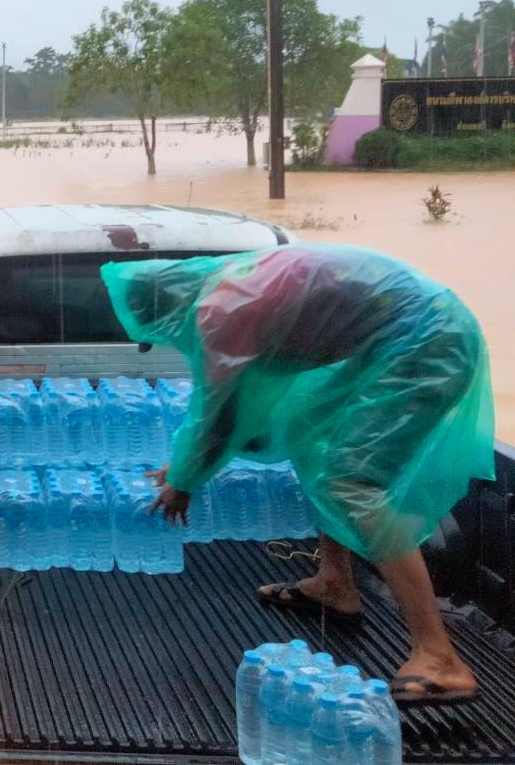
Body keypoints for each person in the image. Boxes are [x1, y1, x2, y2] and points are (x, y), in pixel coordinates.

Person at [102, 244, 494, 705]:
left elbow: (221, 415)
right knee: (314, 437)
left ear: (162, 310)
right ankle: (335, 582)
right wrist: (189, 463)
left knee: (352, 483)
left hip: (427, 342)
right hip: (404, 335)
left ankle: (439, 657)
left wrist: (183, 483)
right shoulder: (232, 285)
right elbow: (249, 413)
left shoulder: (221, 313)